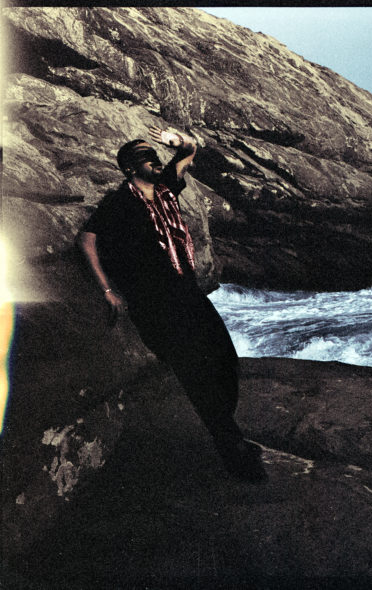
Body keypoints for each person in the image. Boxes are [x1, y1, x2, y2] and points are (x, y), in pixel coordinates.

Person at [77, 125, 267, 483]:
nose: (153, 159)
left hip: (187, 292)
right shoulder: (119, 203)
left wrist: (179, 143)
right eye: (144, 156)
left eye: (153, 153)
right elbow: (86, 239)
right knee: (196, 373)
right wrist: (106, 289)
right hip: (156, 302)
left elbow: (189, 152)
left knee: (225, 359)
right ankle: (234, 451)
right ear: (129, 168)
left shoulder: (166, 189)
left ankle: (228, 434)